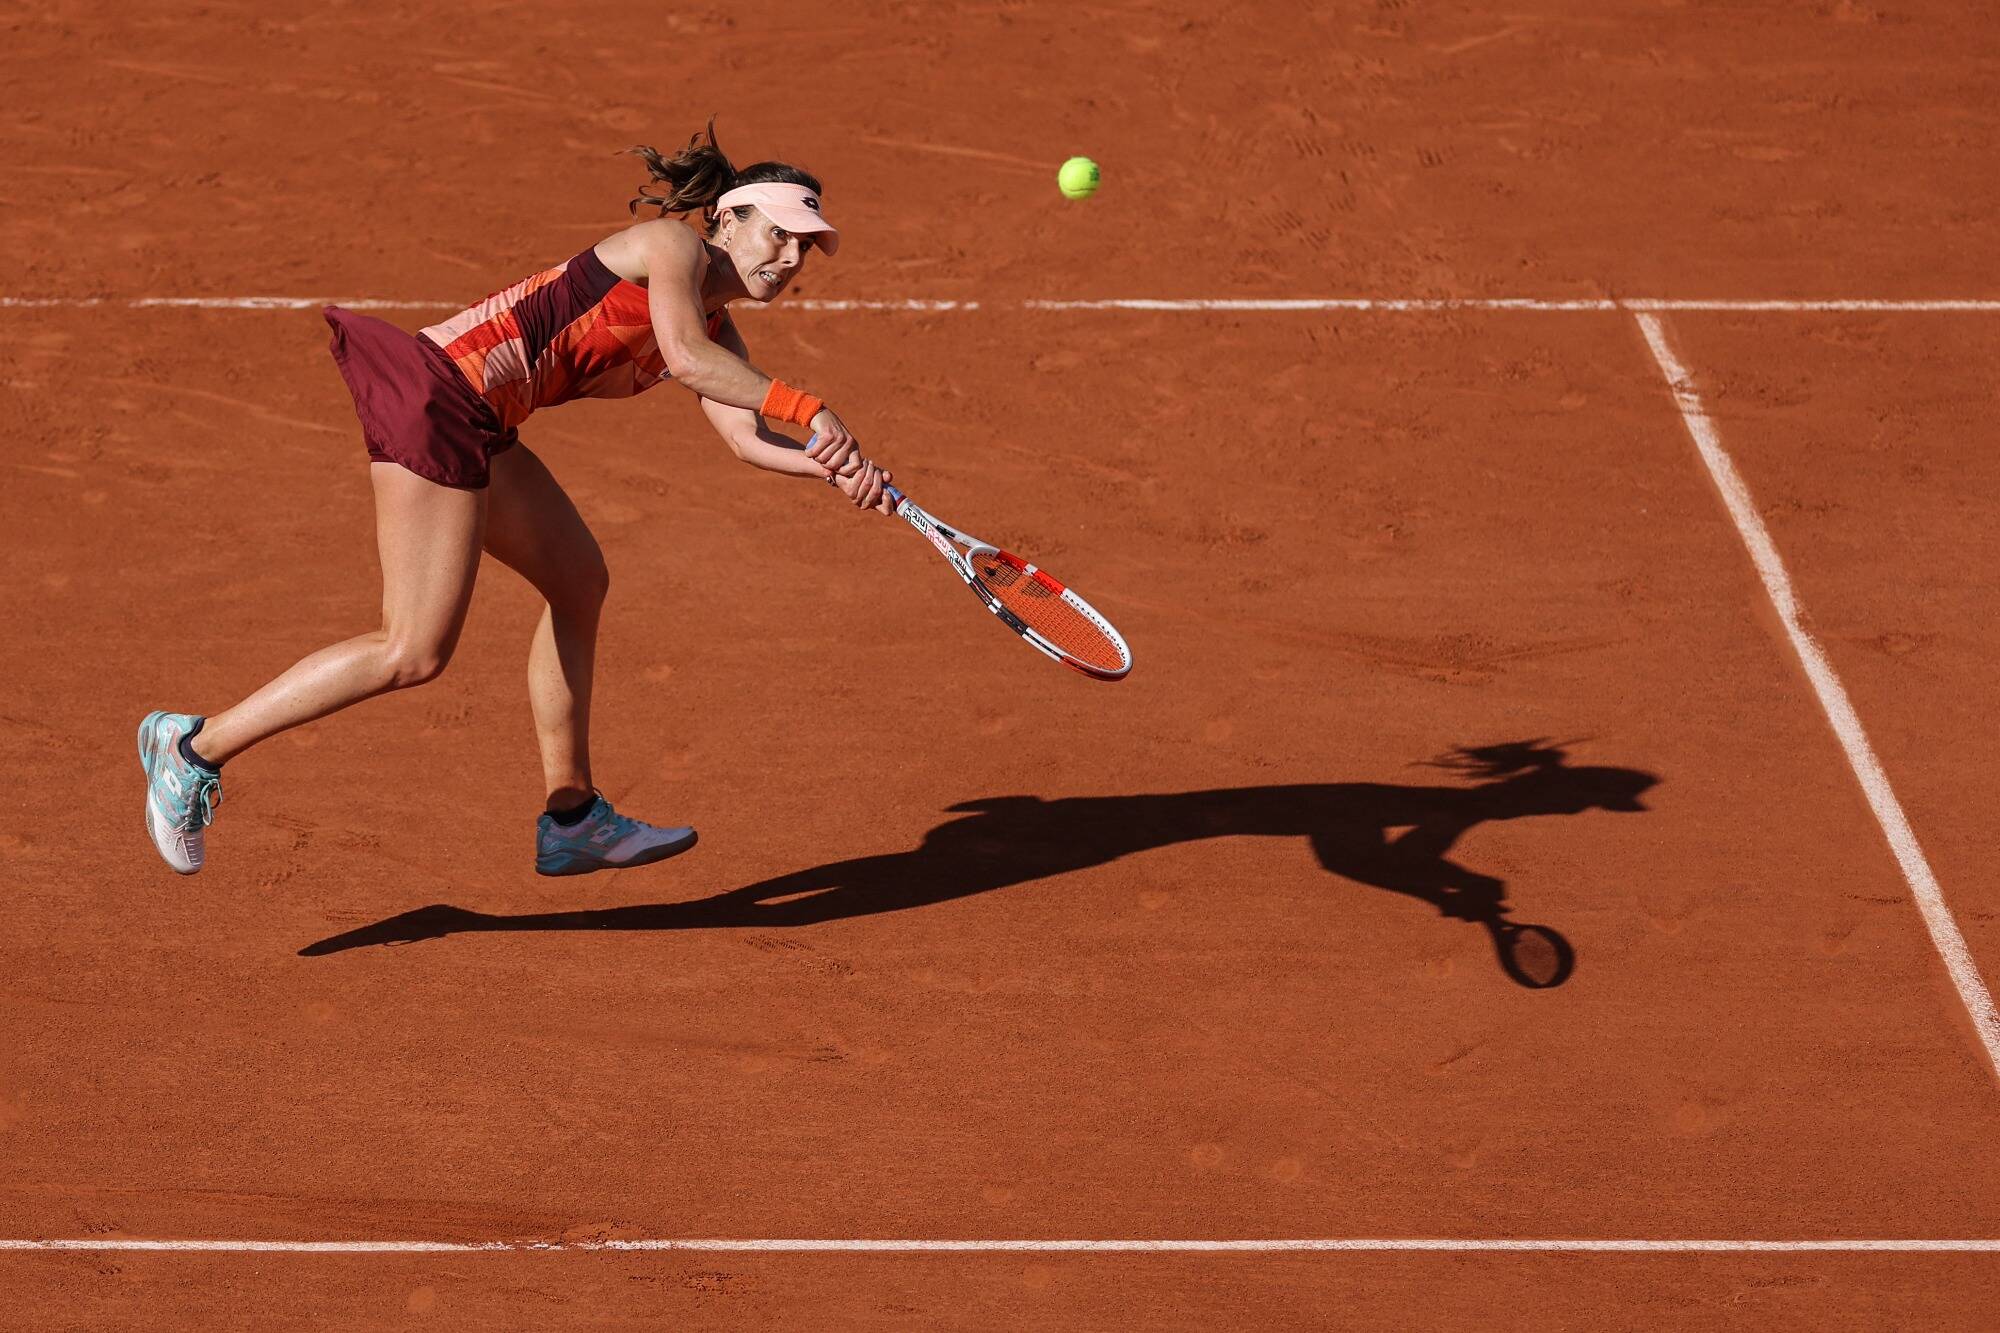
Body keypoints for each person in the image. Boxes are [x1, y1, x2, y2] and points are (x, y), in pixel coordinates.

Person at [137, 124, 891, 878]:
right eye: (780, 234)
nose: (790, 259)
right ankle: (194, 748)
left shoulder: (720, 330)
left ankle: (573, 818)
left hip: (486, 422)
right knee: (413, 649)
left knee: (578, 579)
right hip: (441, 397)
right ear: (727, 217)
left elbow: (743, 437)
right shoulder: (673, 248)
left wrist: (834, 469)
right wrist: (811, 408)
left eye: (805, 247)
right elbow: (687, 360)